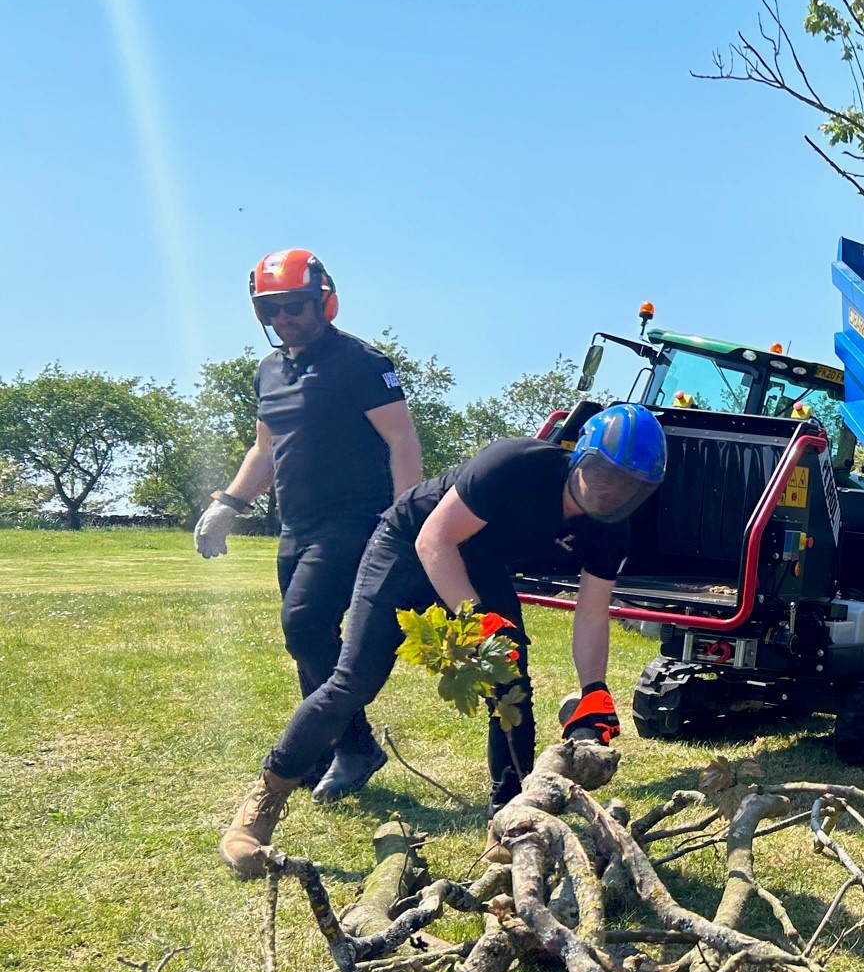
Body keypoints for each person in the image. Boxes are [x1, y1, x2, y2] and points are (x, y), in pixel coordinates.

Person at [218, 403, 667, 878]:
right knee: (353, 682)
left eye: (630, 486)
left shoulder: (613, 528)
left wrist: (593, 689)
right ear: (579, 455)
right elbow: (434, 541)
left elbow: (593, 612)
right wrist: (477, 622)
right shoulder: (514, 463)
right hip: (409, 545)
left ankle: (509, 822)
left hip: (480, 564)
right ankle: (262, 804)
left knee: (509, 683)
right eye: (603, 472)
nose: (610, 490)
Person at [197, 249, 423, 801]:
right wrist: (229, 502)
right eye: (269, 310)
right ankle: (322, 748)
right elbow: (265, 449)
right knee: (309, 639)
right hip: (295, 525)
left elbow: (403, 442)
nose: (283, 319)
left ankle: (355, 747)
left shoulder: (362, 363)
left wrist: (403, 521)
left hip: (357, 522)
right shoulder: (270, 370)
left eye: (293, 306)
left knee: (303, 624)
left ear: (324, 299)